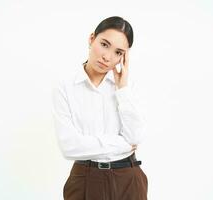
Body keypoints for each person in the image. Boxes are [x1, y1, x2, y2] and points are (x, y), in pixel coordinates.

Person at [52, 16, 148, 200]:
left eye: (118, 52)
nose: (107, 57)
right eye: (104, 44)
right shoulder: (65, 87)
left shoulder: (130, 87)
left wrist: (122, 90)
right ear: (91, 39)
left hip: (128, 178)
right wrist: (123, 144)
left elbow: (135, 136)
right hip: (84, 179)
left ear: (124, 56)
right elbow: (69, 147)